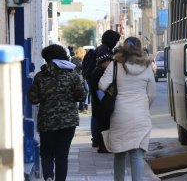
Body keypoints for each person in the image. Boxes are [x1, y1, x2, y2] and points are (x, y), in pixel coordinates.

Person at [99, 36, 155, 181]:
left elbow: (102, 85)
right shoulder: (147, 66)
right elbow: (152, 94)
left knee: (120, 152)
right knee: (137, 154)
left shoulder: (115, 65)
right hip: (141, 114)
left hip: (120, 113)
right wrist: (144, 106)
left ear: (123, 47)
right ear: (140, 48)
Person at [28, 44, 86, 181]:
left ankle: (48, 176)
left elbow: (33, 99)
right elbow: (81, 96)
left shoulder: (40, 76)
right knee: (62, 155)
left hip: (47, 121)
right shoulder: (73, 76)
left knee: (47, 153)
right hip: (68, 122)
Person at [83, 30, 121, 149]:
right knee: (100, 113)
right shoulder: (104, 51)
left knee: (98, 112)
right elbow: (105, 68)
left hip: (97, 84)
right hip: (99, 86)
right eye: (115, 41)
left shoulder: (101, 49)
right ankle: (98, 140)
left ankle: (97, 139)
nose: (116, 43)